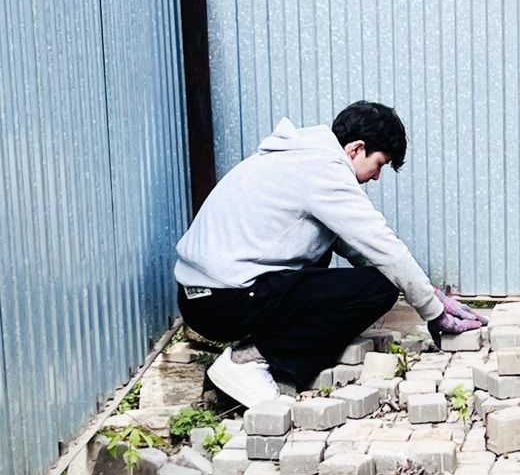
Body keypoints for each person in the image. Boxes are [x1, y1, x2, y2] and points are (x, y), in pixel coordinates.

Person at [173, 101, 484, 408]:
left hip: (201, 298)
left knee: (326, 257)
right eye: (379, 164)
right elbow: (384, 246)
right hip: (223, 302)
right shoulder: (324, 170)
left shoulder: (301, 157)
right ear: (356, 149)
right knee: (379, 289)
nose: (377, 177)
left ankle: (268, 357)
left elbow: (358, 247)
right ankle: (249, 360)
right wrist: (434, 313)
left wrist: (429, 293)